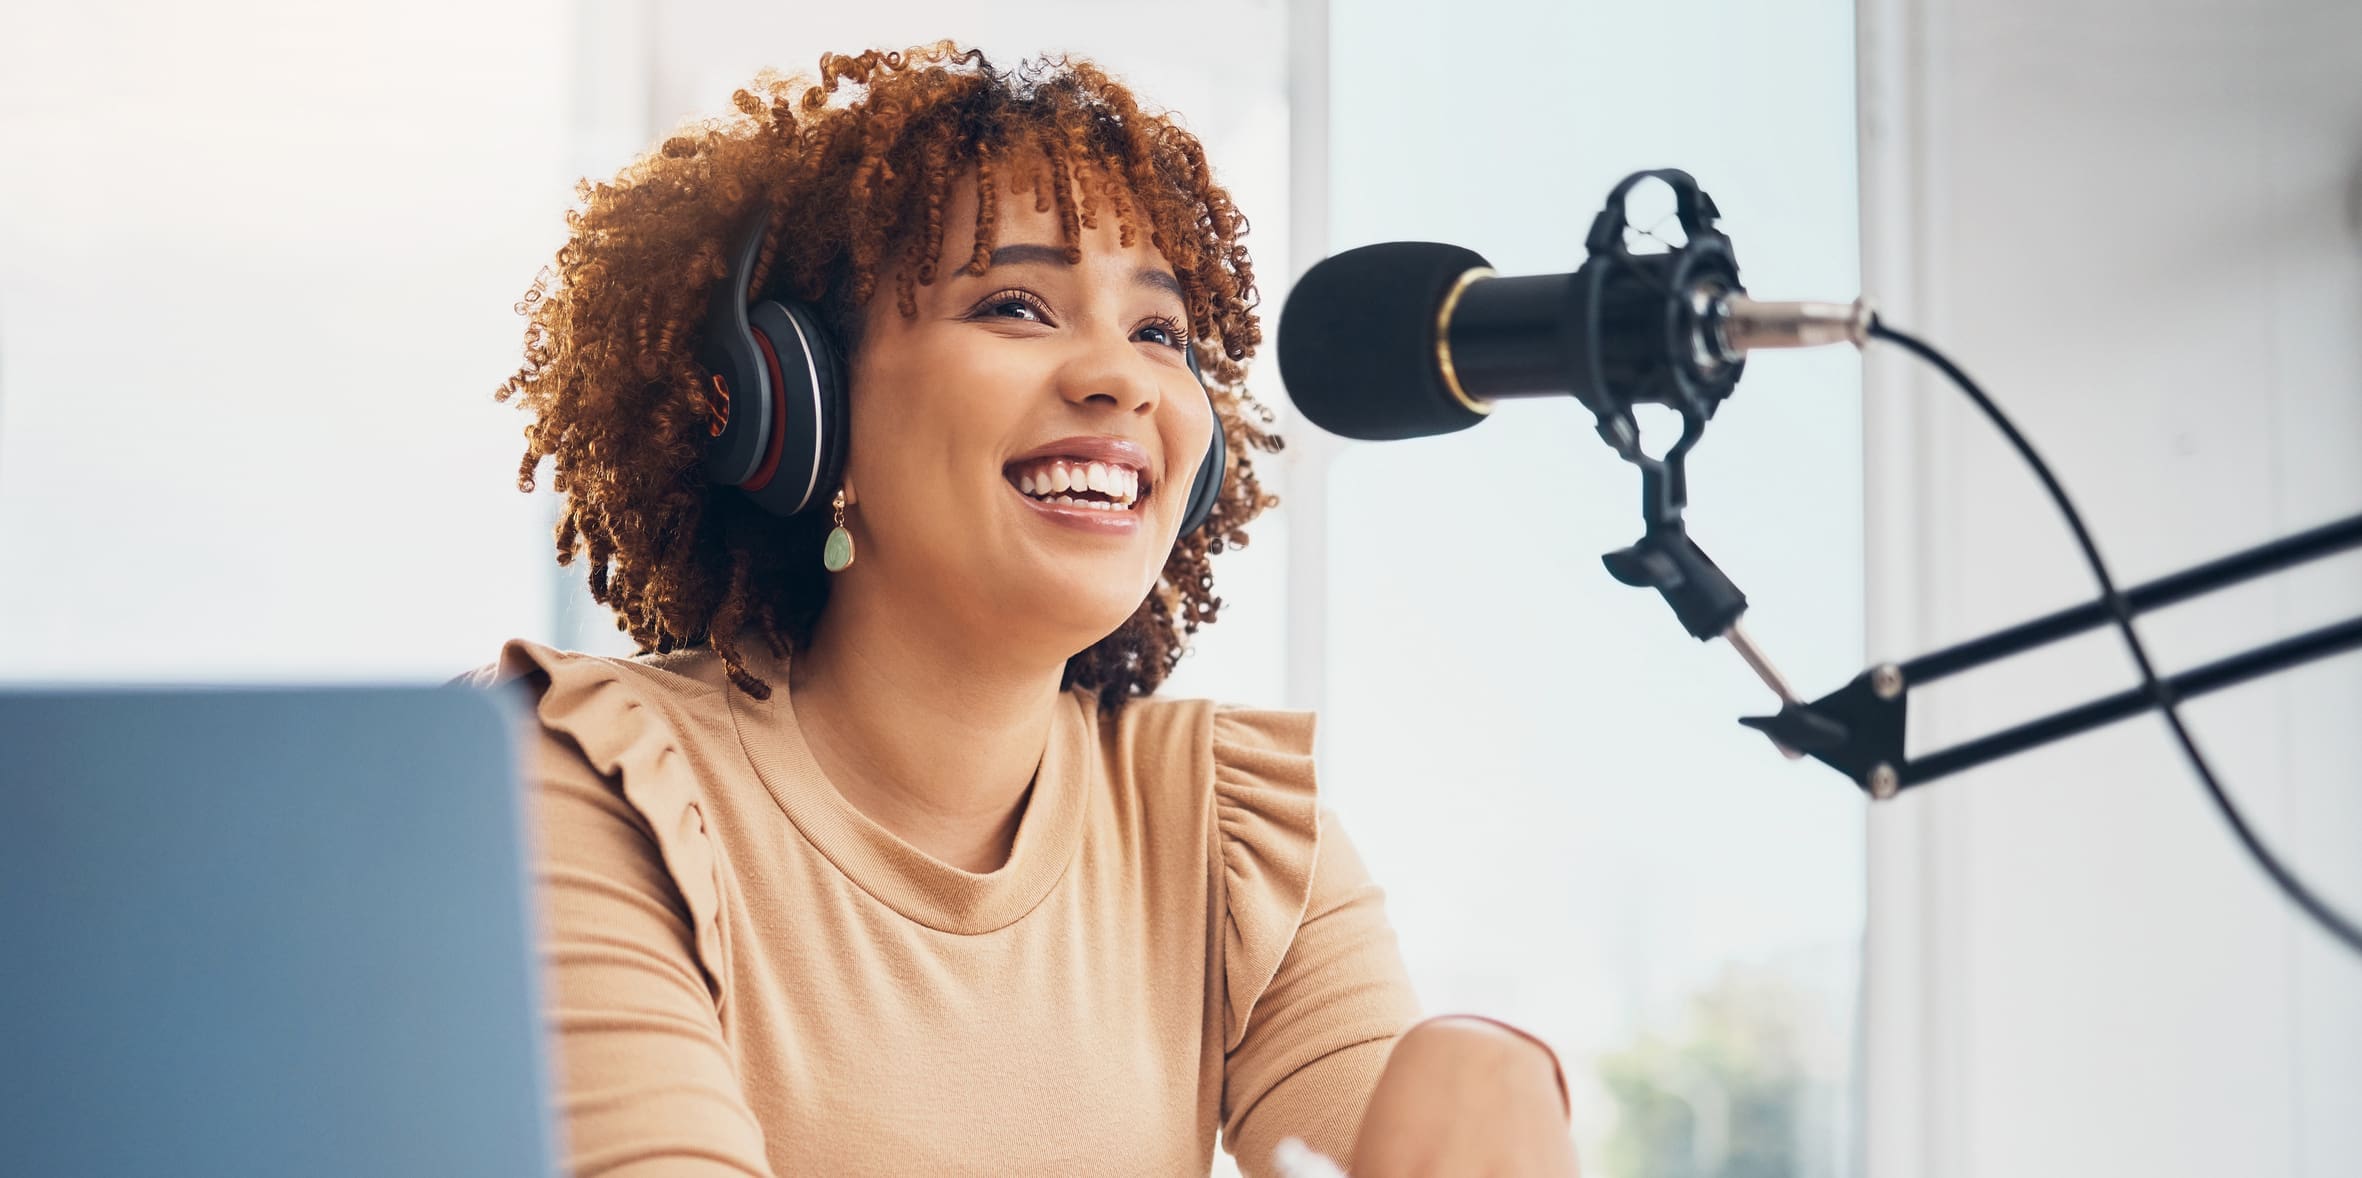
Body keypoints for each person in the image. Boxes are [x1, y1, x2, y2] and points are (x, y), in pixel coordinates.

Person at [474, 42, 1577, 1177]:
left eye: (1159, 333)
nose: (1125, 379)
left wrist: (1486, 1071)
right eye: (1014, 305)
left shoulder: (1224, 829)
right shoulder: (594, 777)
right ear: (793, 399)